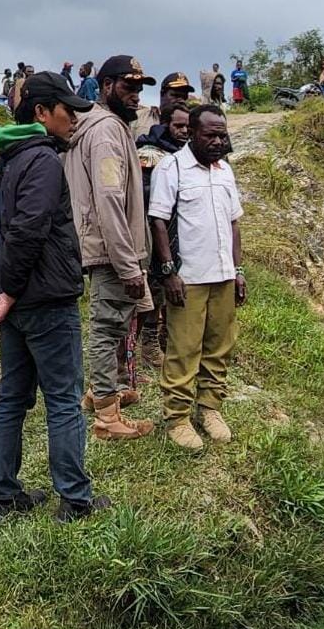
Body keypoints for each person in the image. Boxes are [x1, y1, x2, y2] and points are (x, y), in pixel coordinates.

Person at [0, 71, 110, 524]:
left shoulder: (3, 159)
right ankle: (75, 500)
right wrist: (2, 289)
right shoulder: (43, 160)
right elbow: (29, 230)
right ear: (43, 113)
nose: (74, 119)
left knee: (12, 397)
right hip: (45, 300)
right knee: (64, 398)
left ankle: (2, 498)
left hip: (16, 303)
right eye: (68, 111)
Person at [63, 54, 157, 441]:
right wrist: (128, 263)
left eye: (138, 88)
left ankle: (100, 392)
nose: (135, 95)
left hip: (112, 249)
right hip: (112, 251)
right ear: (104, 87)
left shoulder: (110, 126)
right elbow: (108, 200)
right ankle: (107, 417)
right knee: (105, 328)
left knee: (116, 322)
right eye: (127, 86)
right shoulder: (105, 131)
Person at [148, 104, 245, 450]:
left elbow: (234, 223)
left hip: (223, 276)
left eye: (223, 135)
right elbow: (158, 220)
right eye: (211, 135)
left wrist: (238, 271)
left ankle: (210, 408)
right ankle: (177, 417)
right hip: (188, 278)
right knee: (184, 349)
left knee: (219, 345)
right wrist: (169, 271)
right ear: (191, 132)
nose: (219, 141)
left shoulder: (225, 171)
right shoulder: (171, 168)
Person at [134, 102, 192, 371]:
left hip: (183, 231)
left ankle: (169, 338)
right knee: (155, 288)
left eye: (187, 127)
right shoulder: (149, 153)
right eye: (178, 125)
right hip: (154, 228)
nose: (183, 131)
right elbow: (143, 196)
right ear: (165, 124)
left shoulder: (190, 153)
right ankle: (148, 343)